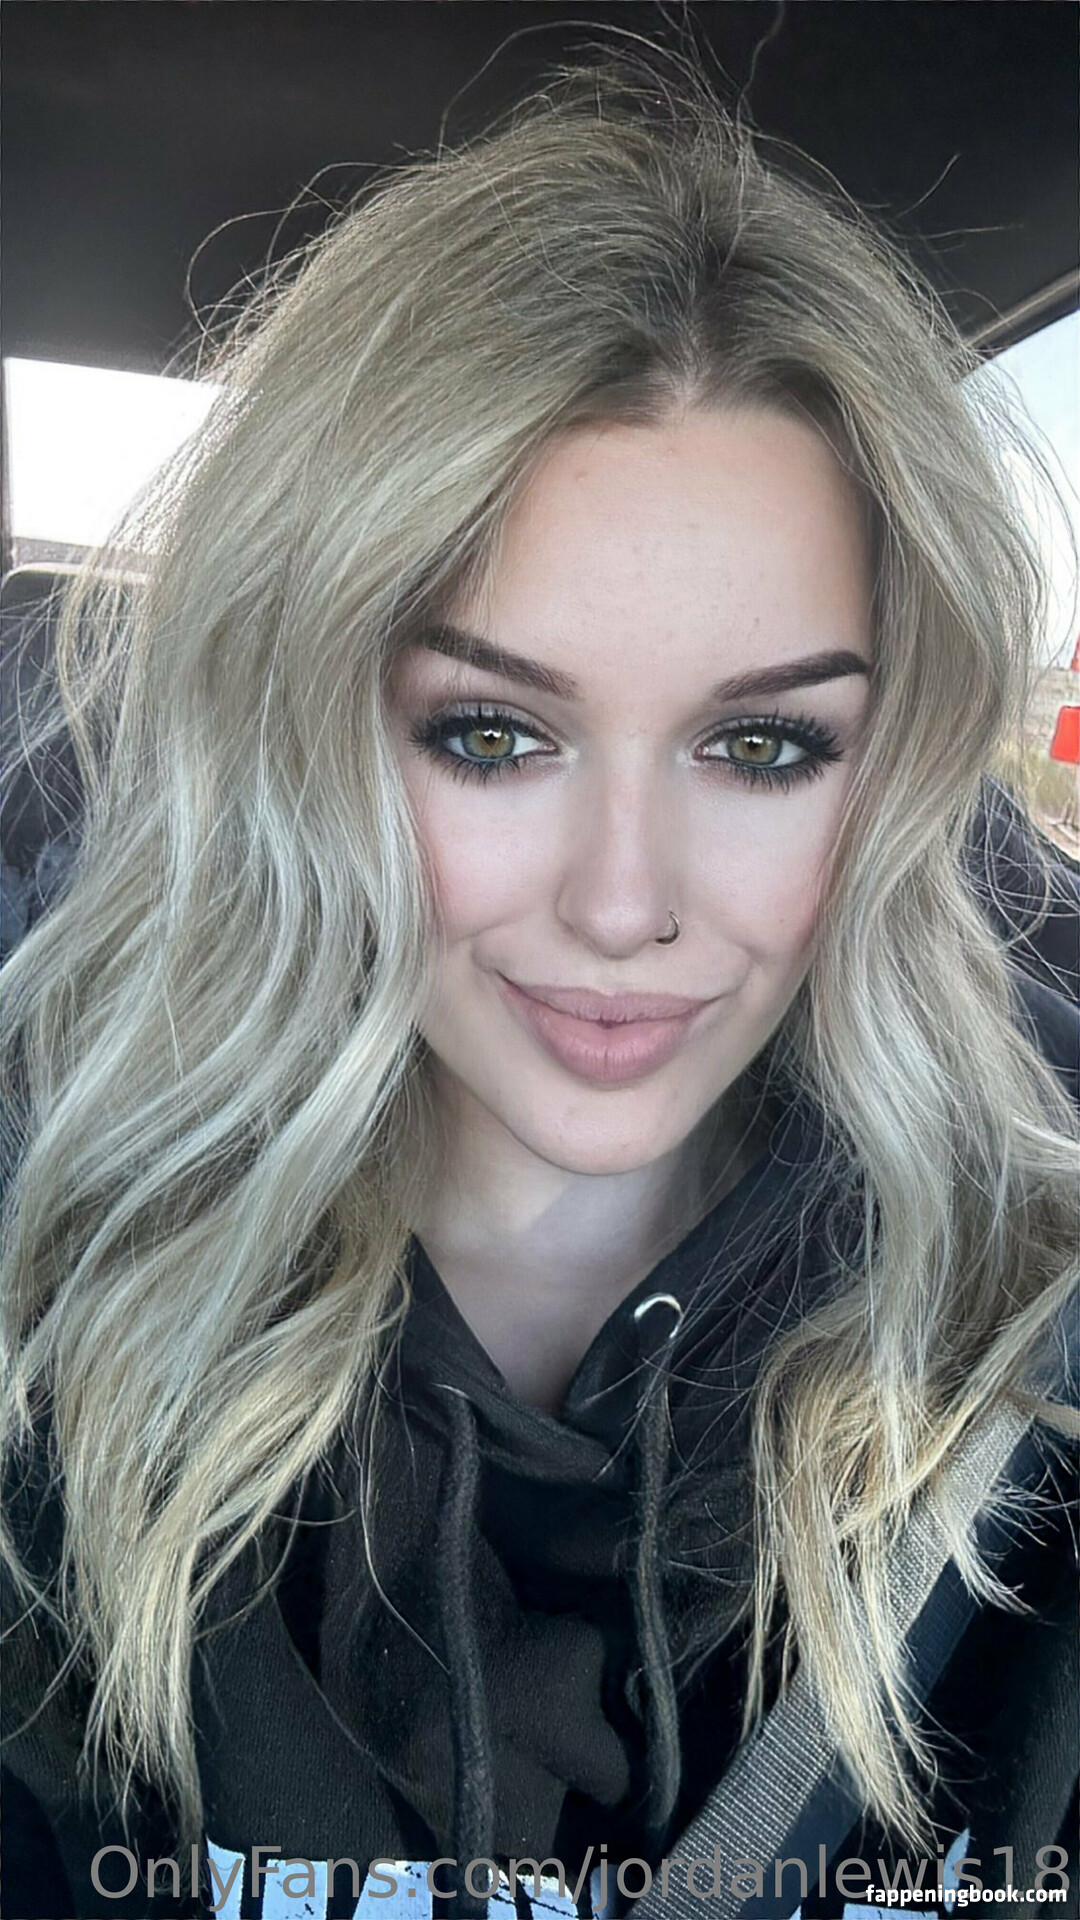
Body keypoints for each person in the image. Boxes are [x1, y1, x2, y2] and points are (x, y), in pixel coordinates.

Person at [2, 48, 1078, 1920]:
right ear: (301, 741)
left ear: (893, 772)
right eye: (490, 735)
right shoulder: (49, 1320)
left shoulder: (1032, 1376)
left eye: (763, 749)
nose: (623, 903)